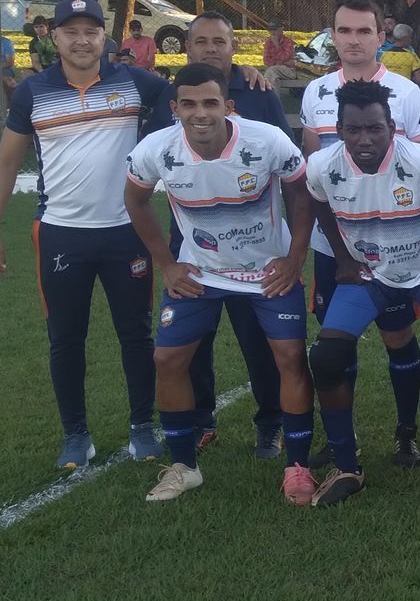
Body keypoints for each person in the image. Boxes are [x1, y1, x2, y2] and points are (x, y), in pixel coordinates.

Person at [0, 0, 172, 469]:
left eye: (91, 32)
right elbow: (6, 161)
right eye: (71, 32)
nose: (82, 41)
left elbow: (185, 93)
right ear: (55, 37)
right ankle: (75, 435)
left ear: (104, 37)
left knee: (136, 335)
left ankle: (142, 427)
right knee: (65, 339)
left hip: (127, 232)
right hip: (61, 234)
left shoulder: (136, 82)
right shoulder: (32, 91)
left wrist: (242, 74)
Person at [121, 64, 314, 504]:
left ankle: (298, 466)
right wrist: (167, 264)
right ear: (175, 109)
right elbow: (135, 200)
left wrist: (294, 259)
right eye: (188, 104)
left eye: (210, 103)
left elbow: (301, 195)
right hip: (200, 272)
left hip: (266, 271)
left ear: (228, 106)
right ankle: (184, 467)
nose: (200, 113)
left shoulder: (266, 140)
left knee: (289, 357)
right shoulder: (157, 148)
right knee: (167, 358)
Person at [305, 79, 420, 506]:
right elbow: (318, 202)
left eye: (374, 129)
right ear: (339, 130)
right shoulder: (322, 166)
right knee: (325, 358)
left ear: (392, 128)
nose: (364, 139)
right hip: (371, 277)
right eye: (353, 130)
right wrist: (343, 260)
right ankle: (348, 466)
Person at [298, 0, 420, 469]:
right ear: (332, 36)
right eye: (344, 30)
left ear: (381, 36)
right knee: (336, 340)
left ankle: (406, 434)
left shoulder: (407, 93)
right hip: (336, 244)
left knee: (397, 335)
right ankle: (342, 438)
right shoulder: (316, 92)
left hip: (396, 244)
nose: (354, 40)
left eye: (364, 31)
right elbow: (313, 171)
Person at [173, 12, 293, 459]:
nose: (210, 49)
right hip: (194, 243)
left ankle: (271, 424)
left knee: (258, 341)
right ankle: (201, 420)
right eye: (201, 41)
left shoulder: (258, 93)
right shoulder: (172, 93)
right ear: (188, 46)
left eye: (219, 41)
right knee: (193, 341)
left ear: (233, 47)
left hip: (255, 249)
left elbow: (288, 165)